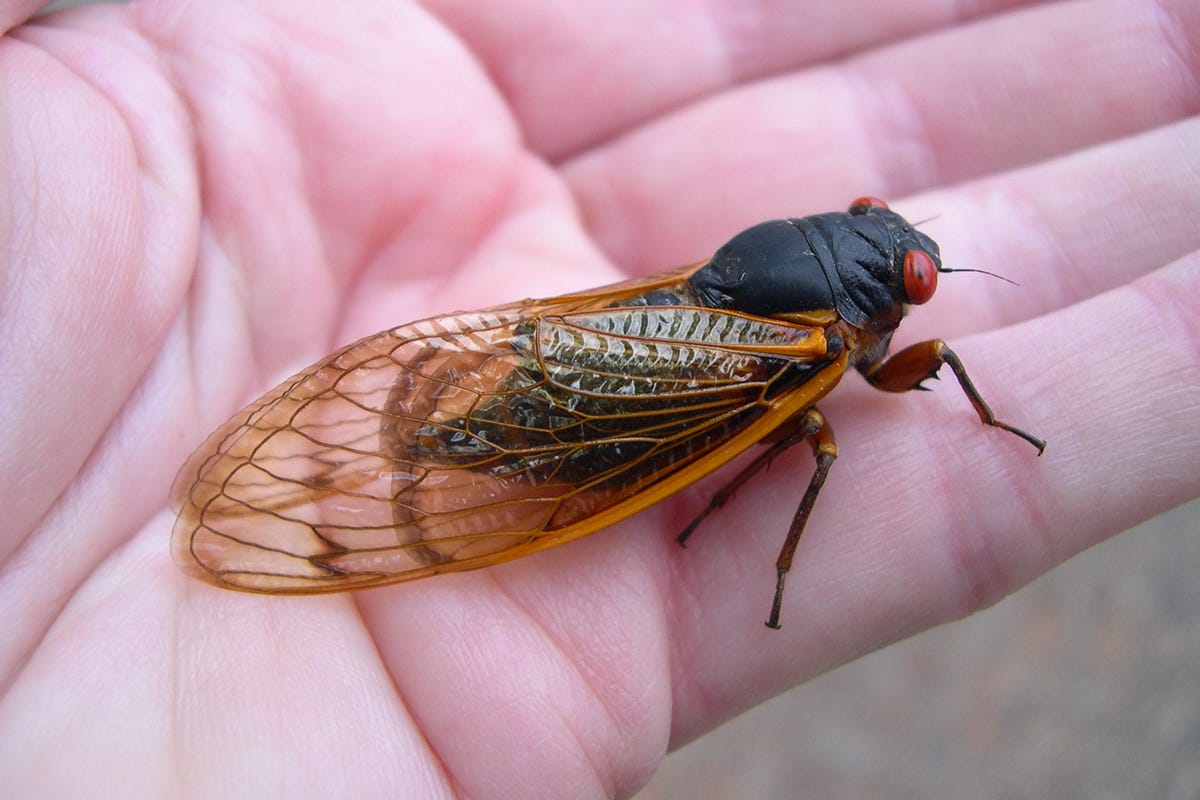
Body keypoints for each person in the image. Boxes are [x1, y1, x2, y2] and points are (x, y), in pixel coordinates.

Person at [0, 1, 1196, 796]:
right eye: (909, 266)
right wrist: (771, 534)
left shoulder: (826, 308)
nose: (912, 271)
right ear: (888, 291)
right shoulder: (834, 350)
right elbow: (806, 447)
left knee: (780, 420)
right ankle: (437, 447)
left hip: (636, 323)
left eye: (909, 259)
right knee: (817, 447)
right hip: (637, 399)